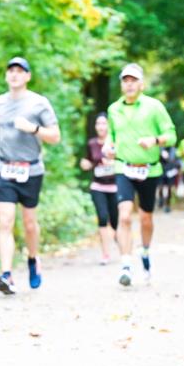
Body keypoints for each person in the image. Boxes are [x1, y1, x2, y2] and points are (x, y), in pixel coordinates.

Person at [0, 57, 61, 294]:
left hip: (31, 169)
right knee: (5, 221)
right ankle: (6, 275)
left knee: (29, 224)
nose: (14, 75)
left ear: (28, 76)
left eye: (20, 71)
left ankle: (33, 258)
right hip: (4, 168)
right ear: (6, 76)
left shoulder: (39, 103)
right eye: (11, 71)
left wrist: (34, 129)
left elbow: (55, 136)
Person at [104, 63, 177, 286]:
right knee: (124, 215)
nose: (129, 84)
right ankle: (126, 263)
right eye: (125, 80)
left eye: (133, 80)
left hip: (150, 169)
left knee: (146, 217)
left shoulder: (154, 107)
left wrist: (154, 140)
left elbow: (172, 135)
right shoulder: (113, 109)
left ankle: (144, 251)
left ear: (141, 84)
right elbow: (111, 135)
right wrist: (108, 146)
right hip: (123, 168)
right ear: (121, 85)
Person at [80, 113, 118, 264]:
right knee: (102, 218)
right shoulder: (92, 143)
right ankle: (106, 254)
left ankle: (118, 237)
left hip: (115, 187)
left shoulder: (116, 142)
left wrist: (113, 164)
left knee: (115, 222)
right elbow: (87, 160)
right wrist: (85, 163)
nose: (101, 127)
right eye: (98, 123)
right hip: (98, 186)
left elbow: (124, 161)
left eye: (104, 123)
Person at [157, 145, 181, 213]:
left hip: (171, 171)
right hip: (162, 171)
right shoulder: (160, 149)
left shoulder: (175, 150)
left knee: (169, 189)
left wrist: (177, 168)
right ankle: (161, 199)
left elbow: (178, 161)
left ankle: (168, 205)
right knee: (160, 187)